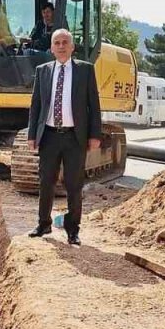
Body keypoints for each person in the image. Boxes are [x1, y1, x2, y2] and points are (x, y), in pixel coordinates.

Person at [26, 29, 102, 246]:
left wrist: (95, 134)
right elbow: (36, 106)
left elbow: (93, 104)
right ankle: (43, 223)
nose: (60, 46)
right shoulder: (43, 71)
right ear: (51, 48)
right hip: (49, 135)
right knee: (46, 182)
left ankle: (72, 230)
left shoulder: (85, 71)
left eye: (65, 42)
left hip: (74, 137)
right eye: (56, 42)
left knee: (74, 184)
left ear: (72, 47)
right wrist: (32, 135)